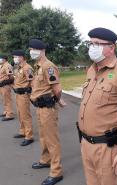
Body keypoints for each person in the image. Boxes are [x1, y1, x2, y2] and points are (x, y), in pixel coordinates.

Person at [77, 27, 117, 185]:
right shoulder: (92, 70)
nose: (92, 48)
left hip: (108, 149)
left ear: (112, 47)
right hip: (86, 144)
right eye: (90, 44)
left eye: (96, 44)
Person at [29, 39, 63, 185]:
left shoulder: (49, 66)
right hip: (39, 107)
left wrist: (56, 100)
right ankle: (45, 160)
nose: (30, 52)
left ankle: (56, 172)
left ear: (41, 50)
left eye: (32, 49)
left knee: (51, 140)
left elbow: (58, 89)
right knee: (43, 137)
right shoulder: (38, 66)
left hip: (48, 108)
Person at [12, 50, 34, 146]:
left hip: (24, 94)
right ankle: (23, 131)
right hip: (18, 94)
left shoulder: (27, 68)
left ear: (21, 57)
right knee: (20, 114)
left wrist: (29, 91)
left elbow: (31, 81)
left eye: (16, 56)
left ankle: (29, 136)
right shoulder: (18, 68)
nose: (14, 58)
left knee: (25, 115)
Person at [0, 54, 14, 121]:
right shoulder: (2, 66)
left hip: (5, 85)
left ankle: (9, 114)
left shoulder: (7, 66)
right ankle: (6, 112)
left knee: (7, 100)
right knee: (4, 100)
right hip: (1, 85)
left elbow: (11, 77)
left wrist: (6, 82)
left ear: (4, 59)